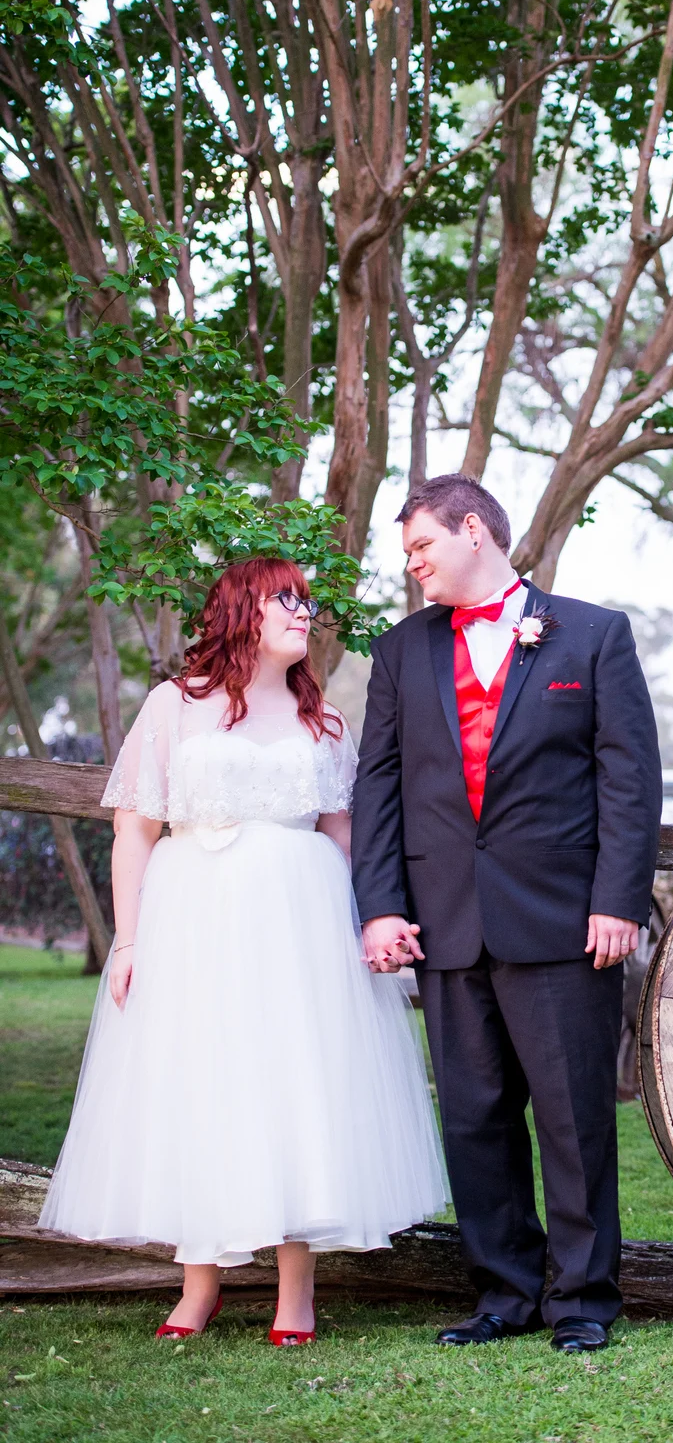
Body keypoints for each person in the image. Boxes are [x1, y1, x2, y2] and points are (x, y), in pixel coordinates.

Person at [39, 558, 446, 1345]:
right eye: (284, 600)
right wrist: (128, 939)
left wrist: (373, 921)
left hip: (303, 921)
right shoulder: (173, 705)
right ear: (239, 611)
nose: (303, 613)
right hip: (194, 916)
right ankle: (199, 1281)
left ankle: (297, 1288)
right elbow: (134, 830)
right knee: (200, 1077)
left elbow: (346, 835)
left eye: (306, 602)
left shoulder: (324, 722)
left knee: (298, 1081)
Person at [353, 475, 661, 1352]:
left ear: (473, 530)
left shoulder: (593, 635)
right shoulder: (399, 651)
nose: (412, 565)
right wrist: (380, 908)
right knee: (474, 1119)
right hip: (444, 920)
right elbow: (378, 788)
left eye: (421, 546)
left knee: (572, 1119)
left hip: (564, 921)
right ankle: (503, 1295)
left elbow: (629, 780)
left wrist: (617, 901)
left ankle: (583, 1300)